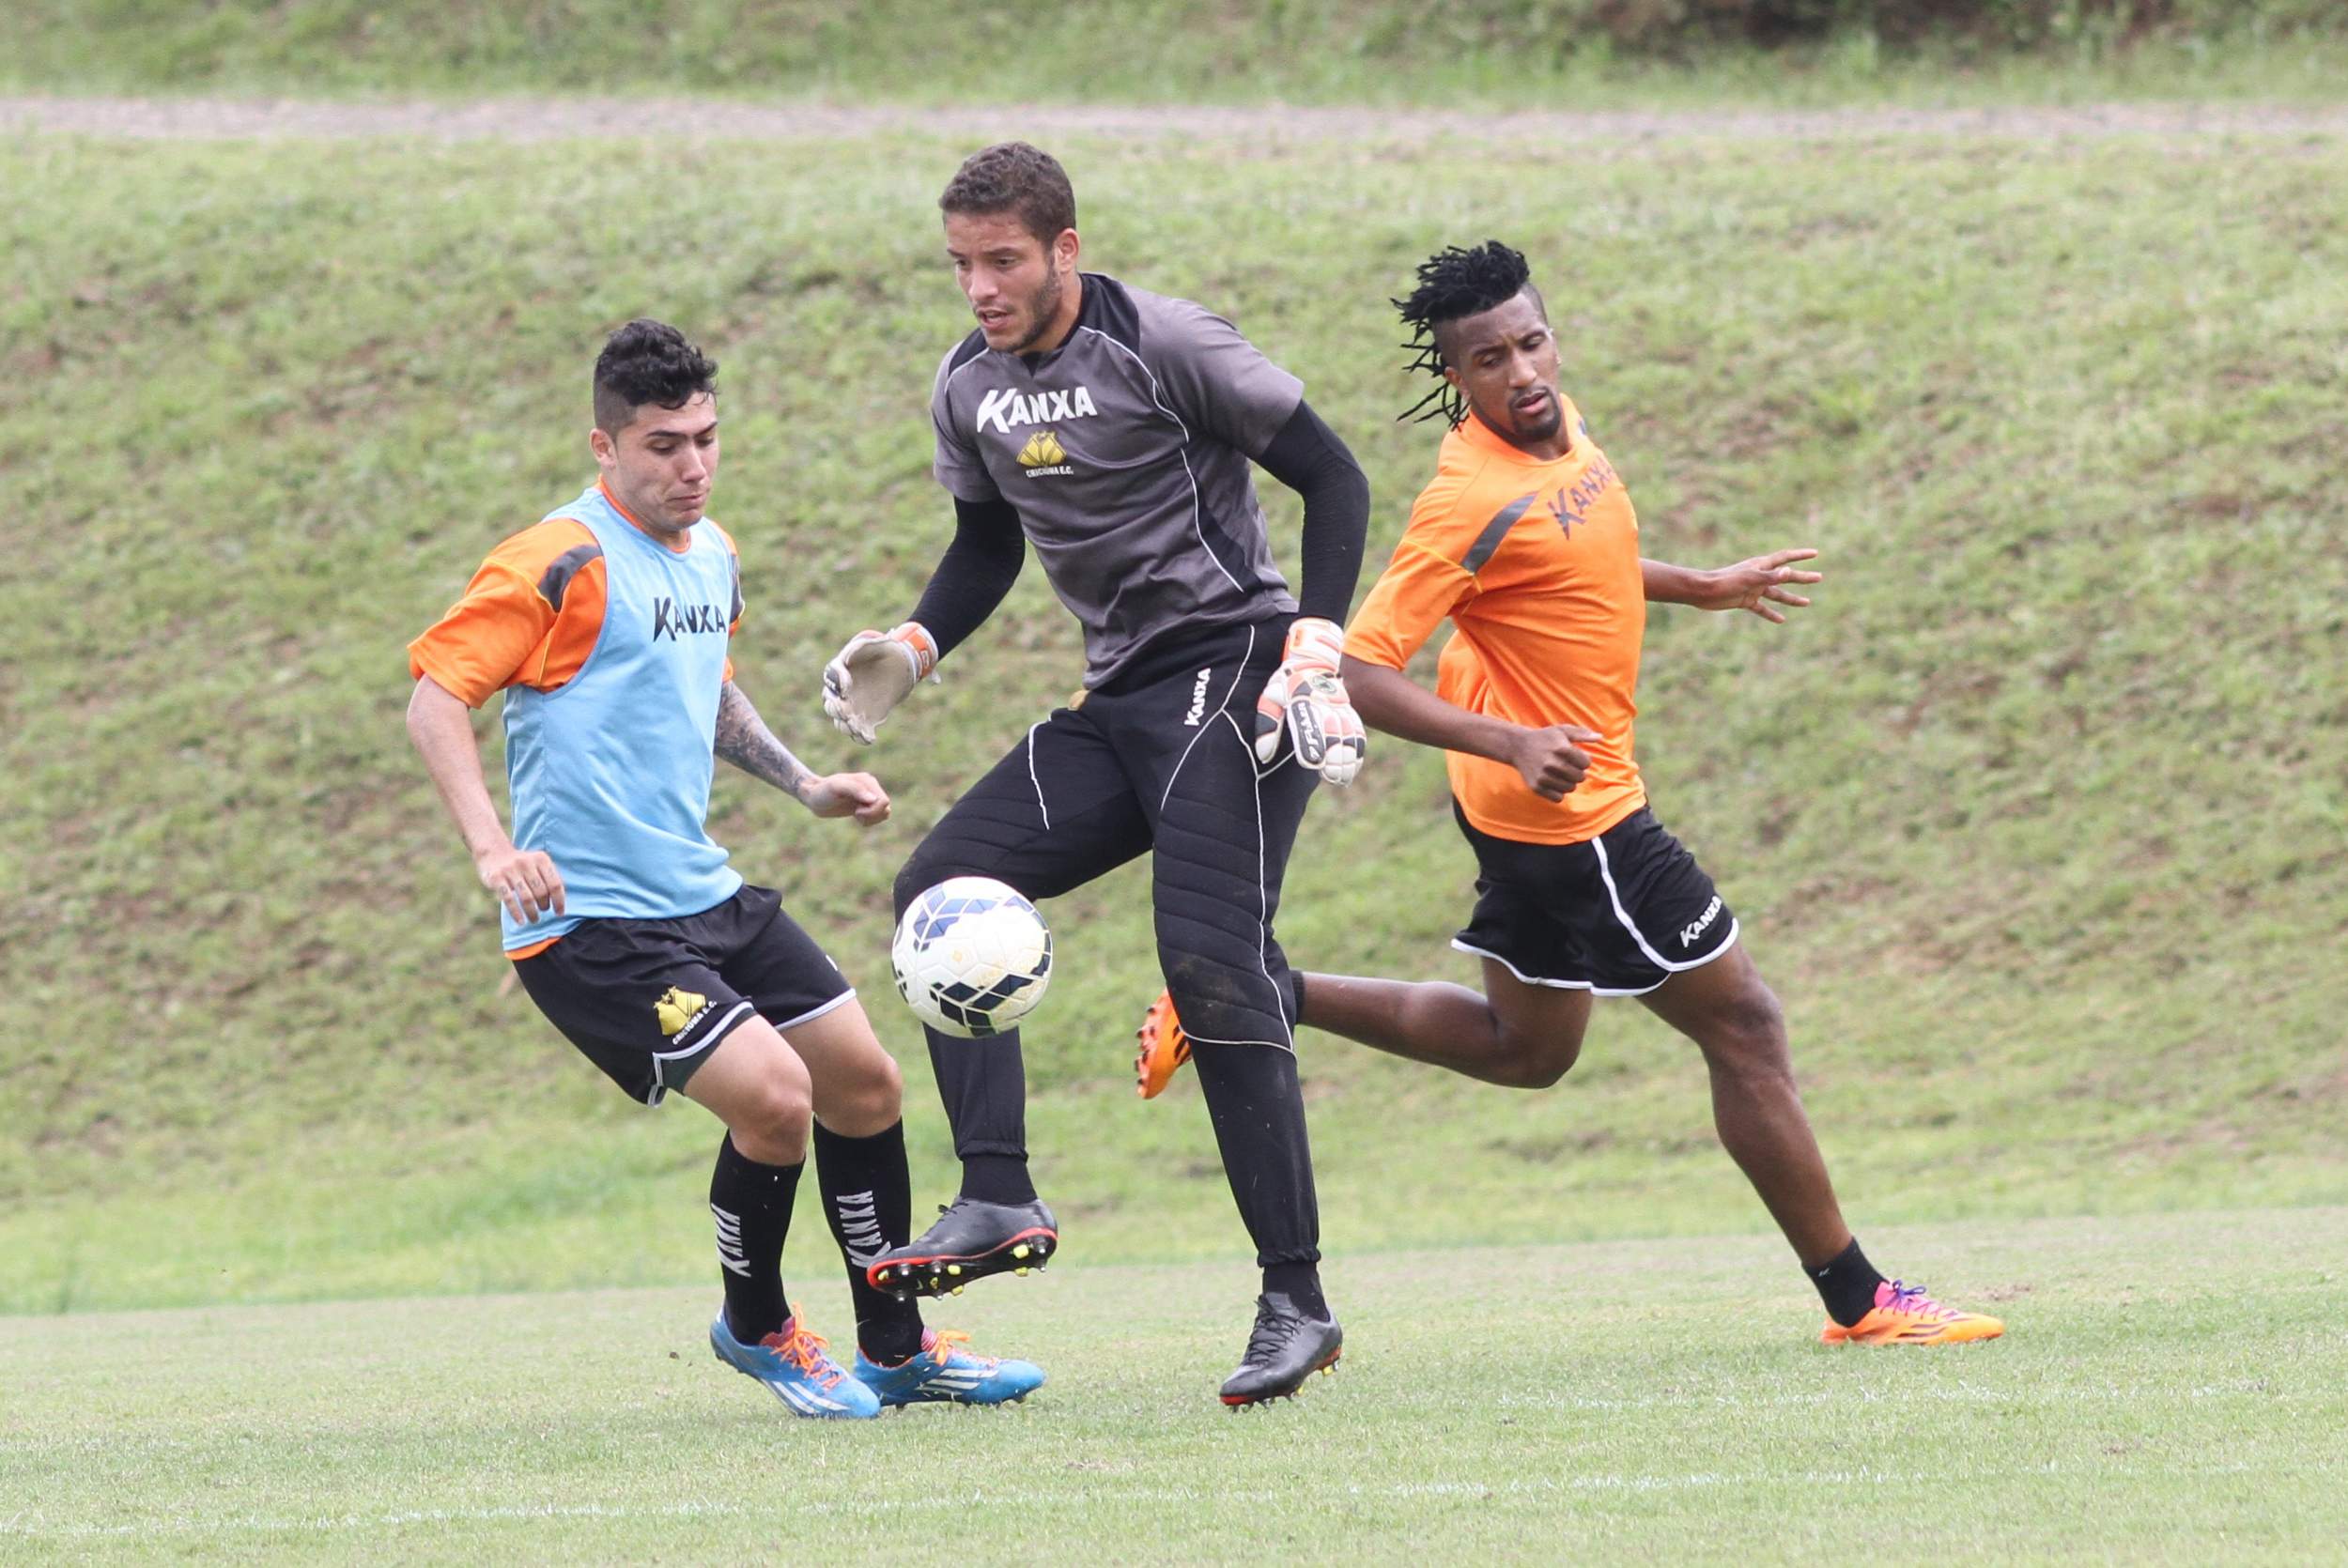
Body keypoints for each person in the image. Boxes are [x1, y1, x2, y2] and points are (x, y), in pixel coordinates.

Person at [1136, 242, 2003, 1349]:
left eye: (1531, 341)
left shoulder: (1557, 425)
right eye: (1489, 359)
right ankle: (1863, 1299)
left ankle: (1249, 993)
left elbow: (1571, 551)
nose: (1523, 371)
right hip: (1577, 815)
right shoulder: (1467, 495)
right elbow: (1352, 668)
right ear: (1456, 377)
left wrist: (1701, 583)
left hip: (1525, 808)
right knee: (1745, 1025)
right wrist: (1508, 737)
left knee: (1526, 1048)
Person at [405, 318, 1043, 1420]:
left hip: (704, 893)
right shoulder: (554, 560)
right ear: (604, 448)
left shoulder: (712, 552)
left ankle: (895, 1346)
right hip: (592, 924)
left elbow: (703, 688)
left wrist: (804, 783)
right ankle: (755, 1325)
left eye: (705, 438)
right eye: (661, 444)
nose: (691, 464)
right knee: (776, 1099)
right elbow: (435, 696)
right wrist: (492, 847)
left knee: (865, 1085)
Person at [818, 143, 1371, 1405]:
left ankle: (1297, 1299)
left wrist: (1319, 636)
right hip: (1123, 695)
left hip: (1235, 665)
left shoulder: (1166, 343)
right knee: (938, 882)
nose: (978, 286)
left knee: (1211, 958)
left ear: (1064, 249)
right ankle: (996, 1190)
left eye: (1002, 259)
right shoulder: (968, 386)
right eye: (960, 263)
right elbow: (984, 543)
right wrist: (914, 640)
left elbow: (1334, 475)